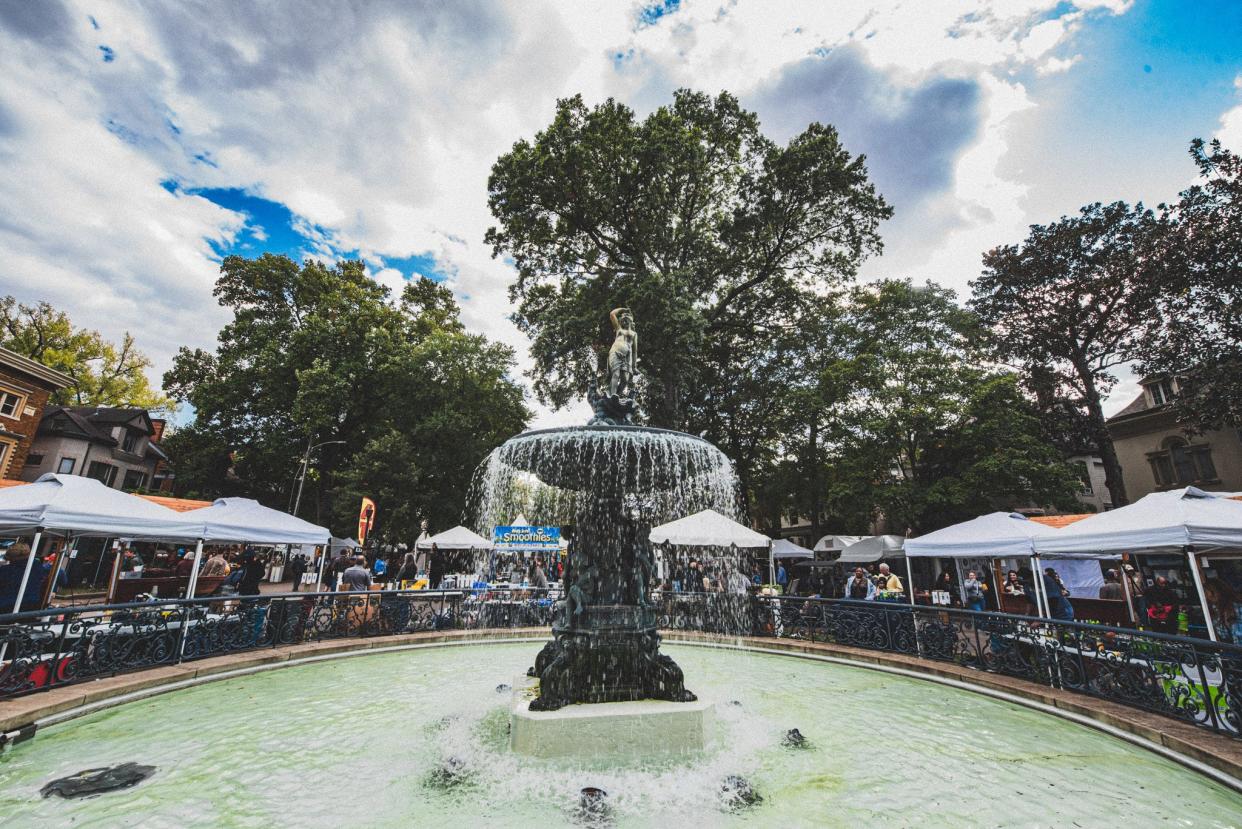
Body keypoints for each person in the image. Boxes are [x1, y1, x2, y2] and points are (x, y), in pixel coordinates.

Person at [0, 542, 61, 612]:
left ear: (11, 558)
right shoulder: (38, 567)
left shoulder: (5, 570)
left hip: (6, 606)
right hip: (32, 606)